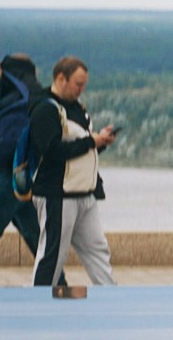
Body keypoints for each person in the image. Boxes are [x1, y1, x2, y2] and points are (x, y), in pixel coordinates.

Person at [30, 56, 119, 290]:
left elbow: (81, 149)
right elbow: (51, 151)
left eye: (84, 85)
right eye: (78, 84)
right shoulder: (44, 109)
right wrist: (91, 141)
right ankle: (36, 304)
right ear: (61, 78)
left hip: (85, 193)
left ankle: (111, 296)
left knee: (98, 250)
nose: (82, 89)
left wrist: (100, 143)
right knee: (53, 255)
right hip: (57, 194)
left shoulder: (78, 109)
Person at [0, 54, 44, 294]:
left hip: (7, 171)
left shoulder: (2, 96)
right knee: (32, 230)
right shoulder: (21, 96)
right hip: (20, 170)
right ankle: (57, 281)